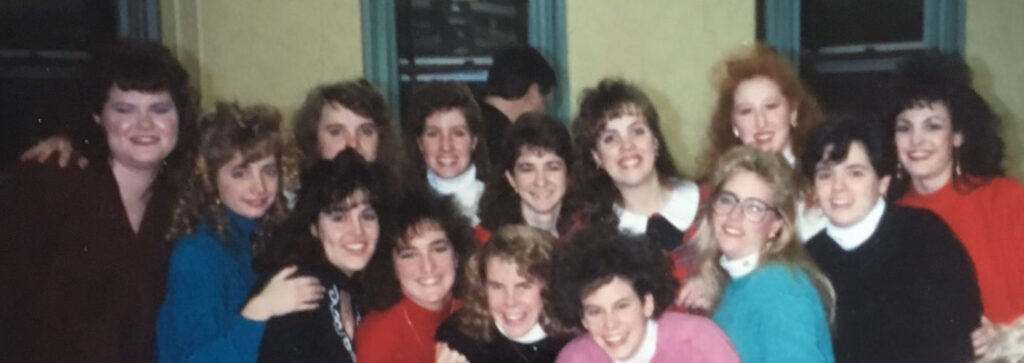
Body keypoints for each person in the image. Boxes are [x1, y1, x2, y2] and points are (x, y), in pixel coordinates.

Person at [0, 40, 199, 362]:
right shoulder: (50, 180)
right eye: (124, 109)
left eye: (160, 108)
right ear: (97, 116)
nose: (145, 124)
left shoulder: (184, 201)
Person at [800, 116, 981, 362]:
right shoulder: (807, 260)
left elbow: (956, 341)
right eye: (825, 175)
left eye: (855, 173)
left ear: (883, 182)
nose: (837, 187)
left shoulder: (925, 236)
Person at [156, 103, 324, 363]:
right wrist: (259, 311)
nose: (259, 187)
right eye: (240, 173)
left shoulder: (270, 236)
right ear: (211, 179)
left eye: (268, 171)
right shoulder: (196, 255)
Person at [885, 51, 1024, 354]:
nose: (916, 140)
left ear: (958, 135)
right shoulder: (888, 219)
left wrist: (1006, 338)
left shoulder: (1005, 199)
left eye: (932, 126)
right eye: (904, 127)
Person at [691, 146, 835, 362]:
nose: (734, 215)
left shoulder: (781, 288)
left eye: (754, 207)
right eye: (727, 200)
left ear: (776, 224)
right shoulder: (735, 284)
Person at [255, 149, 388, 362]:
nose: (358, 231)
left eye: (367, 216)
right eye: (338, 217)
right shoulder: (298, 292)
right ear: (314, 228)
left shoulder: (359, 291)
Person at [547, 228, 739, 363]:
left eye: (621, 306)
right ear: (583, 319)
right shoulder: (575, 358)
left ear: (647, 304)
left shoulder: (697, 342)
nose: (610, 324)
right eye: (595, 312)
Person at [702, 44, 828, 242]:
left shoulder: (823, 177)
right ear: (733, 124)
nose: (760, 122)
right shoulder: (720, 188)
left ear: (793, 112)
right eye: (746, 111)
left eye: (771, 107)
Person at [572, 78, 703, 252]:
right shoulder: (587, 238)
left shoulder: (710, 204)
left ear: (655, 141)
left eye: (637, 131)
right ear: (597, 157)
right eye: (610, 138)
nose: (627, 145)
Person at [355, 189, 476, 363]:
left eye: (438, 249)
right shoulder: (377, 335)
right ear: (391, 266)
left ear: (456, 256)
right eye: (410, 255)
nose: (427, 266)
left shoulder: (476, 311)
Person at [435, 225, 573, 363]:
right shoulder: (459, 339)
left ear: (550, 286)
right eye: (497, 287)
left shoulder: (575, 336)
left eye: (523, 286)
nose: (510, 301)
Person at [476, 112, 579, 242]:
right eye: (527, 169)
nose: (541, 181)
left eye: (552, 167)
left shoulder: (590, 238)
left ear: (568, 174)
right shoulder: (486, 242)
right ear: (511, 178)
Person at [405, 82, 491, 225]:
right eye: (433, 134)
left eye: (458, 133)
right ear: (420, 143)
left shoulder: (502, 206)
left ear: (474, 141)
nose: (446, 146)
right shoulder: (403, 208)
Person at [292, 78, 405, 172]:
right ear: (314, 139)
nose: (352, 145)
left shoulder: (403, 196)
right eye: (336, 132)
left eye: (366, 131)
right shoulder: (291, 196)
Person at [479, 45, 557, 164]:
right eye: (546, 104)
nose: (544, 113)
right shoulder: (508, 145)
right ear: (533, 94)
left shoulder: (467, 123)